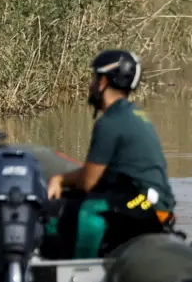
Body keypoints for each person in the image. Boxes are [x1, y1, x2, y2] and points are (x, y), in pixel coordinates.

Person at [44, 50, 176, 259]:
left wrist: (59, 180)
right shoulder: (135, 114)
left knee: (55, 214)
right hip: (155, 204)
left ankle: (76, 272)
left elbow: (88, 182)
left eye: (94, 78)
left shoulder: (110, 123)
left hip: (140, 207)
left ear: (103, 81)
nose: (91, 84)